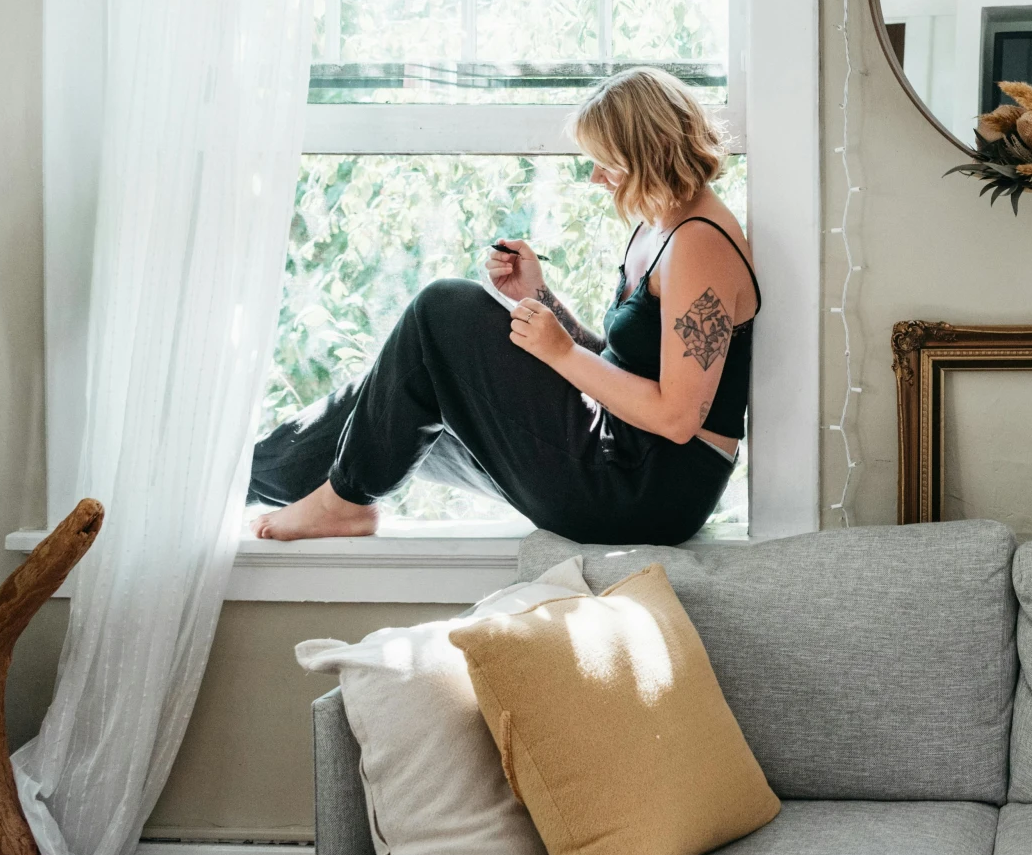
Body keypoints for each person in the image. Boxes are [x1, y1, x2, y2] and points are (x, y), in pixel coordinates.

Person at [248, 67, 757, 545]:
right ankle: (232, 482)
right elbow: (624, 369)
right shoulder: (659, 224)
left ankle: (344, 503)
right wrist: (540, 299)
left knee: (443, 308)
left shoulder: (700, 246)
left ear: (649, 153)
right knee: (391, 401)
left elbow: (677, 417)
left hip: (649, 490)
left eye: (608, 162)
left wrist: (560, 354)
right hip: (623, 453)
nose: (597, 179)